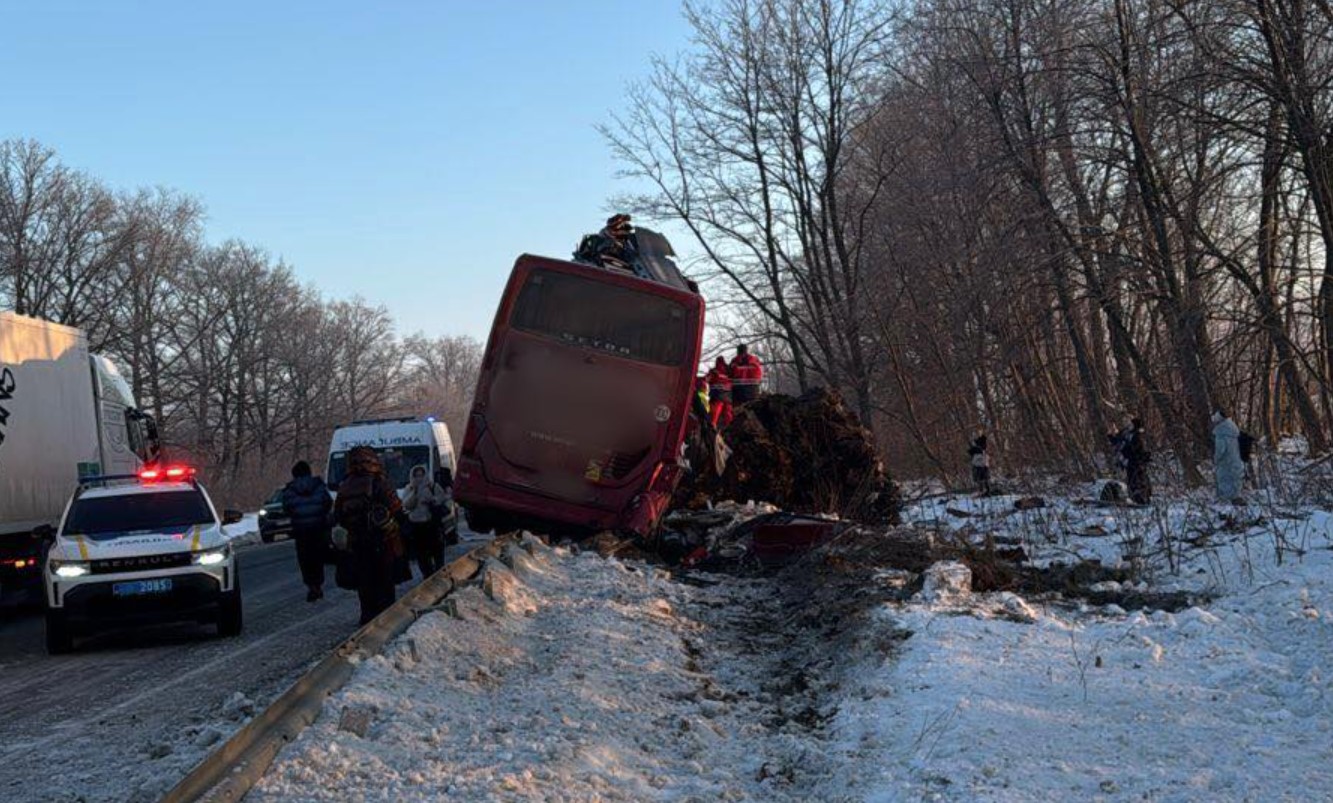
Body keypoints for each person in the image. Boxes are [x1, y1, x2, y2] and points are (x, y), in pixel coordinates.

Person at [333, 446, 405, 625]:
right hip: (382, 539)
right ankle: (388, 619)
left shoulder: (345, 485)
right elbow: (396, 507)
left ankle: (367, 617)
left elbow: (337, 515)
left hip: (357, 541)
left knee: (365, 583)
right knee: (385, 580)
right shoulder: (379, 481)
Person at [280, 461, 333, 602]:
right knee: (318, 557)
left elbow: (287, 508)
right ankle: (318, 583)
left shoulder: (290, 490)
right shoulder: (319, 486)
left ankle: (311, 585)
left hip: (301, 531)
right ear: (309, 472)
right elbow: (327, 503)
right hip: (318, 528)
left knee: (305, 559)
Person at [403, 465, 447, 577]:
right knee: (422, 555)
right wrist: (415, 493)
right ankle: (427, 576)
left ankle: (439, 574)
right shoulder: (409, 488)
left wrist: (431, 499)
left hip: (431, 525)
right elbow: (407, 505)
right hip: (416, 526)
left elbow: (441, 499)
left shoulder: (433, 486)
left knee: (437, 552)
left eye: (421, 475)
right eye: (416, 475)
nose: (419, 478)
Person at [1212, 409, 1245, 503]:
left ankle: (1225, 500)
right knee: (1235, 478)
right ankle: (1235, 497)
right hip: (1235, 460)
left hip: (1225, 462)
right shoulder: (1233, 431)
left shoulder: (1221, 435)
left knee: (1224, 478)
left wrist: (1216, 459)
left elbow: (1220, 450)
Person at [705, 356, 734, 428]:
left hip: (717, 394)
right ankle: (730, 427)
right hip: (728, 394)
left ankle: (712, 426)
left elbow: (707, 379)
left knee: (714, 413)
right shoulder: (728, 370)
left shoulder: (714, 371)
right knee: (728, 412)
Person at [967, 430, 991, 496]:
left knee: (981, 479)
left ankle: (983, 491)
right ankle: (985, 491)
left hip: (980, 464)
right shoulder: (981, 448)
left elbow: (969, 452)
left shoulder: (977, 448)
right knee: (984, 478)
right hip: (983, 464)